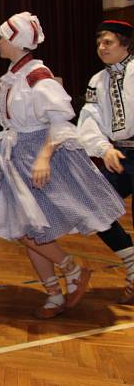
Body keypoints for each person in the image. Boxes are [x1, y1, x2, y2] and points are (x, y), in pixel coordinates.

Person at [0, 12, 122, 318]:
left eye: (3, 37)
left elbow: (60, 118)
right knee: (30, 227)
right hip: (16, 153)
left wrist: (44, 157)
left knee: (27, 228)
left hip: (34, 154)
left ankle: (71, 270)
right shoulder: (16, 74)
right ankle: (54, 292)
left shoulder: (36, 75)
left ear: (16, 41)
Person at [78, 19, 134, 304]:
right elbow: (89, 121)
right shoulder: (97, 81)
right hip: (120, 154)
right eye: (99, 41)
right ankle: (132, 263)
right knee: (93, 204)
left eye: (108, 42)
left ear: (125, 43)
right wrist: (104, 148)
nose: (101, 47)